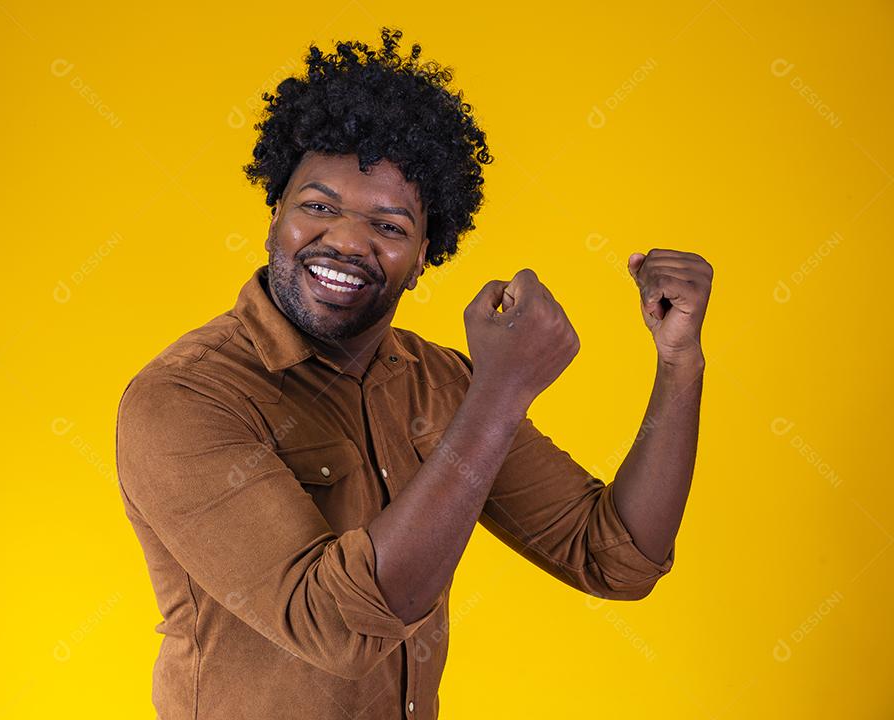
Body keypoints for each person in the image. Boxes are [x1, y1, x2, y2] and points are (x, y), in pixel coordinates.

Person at [115, 26, 711, 720]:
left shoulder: (442, 382)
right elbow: (337, 627)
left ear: (426, 254)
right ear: (275, 212)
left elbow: (613, 556)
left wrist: (679, 362)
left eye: (389, 226)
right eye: (317, 206)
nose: (345, 240)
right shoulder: (185, 398)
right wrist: (503, 391)